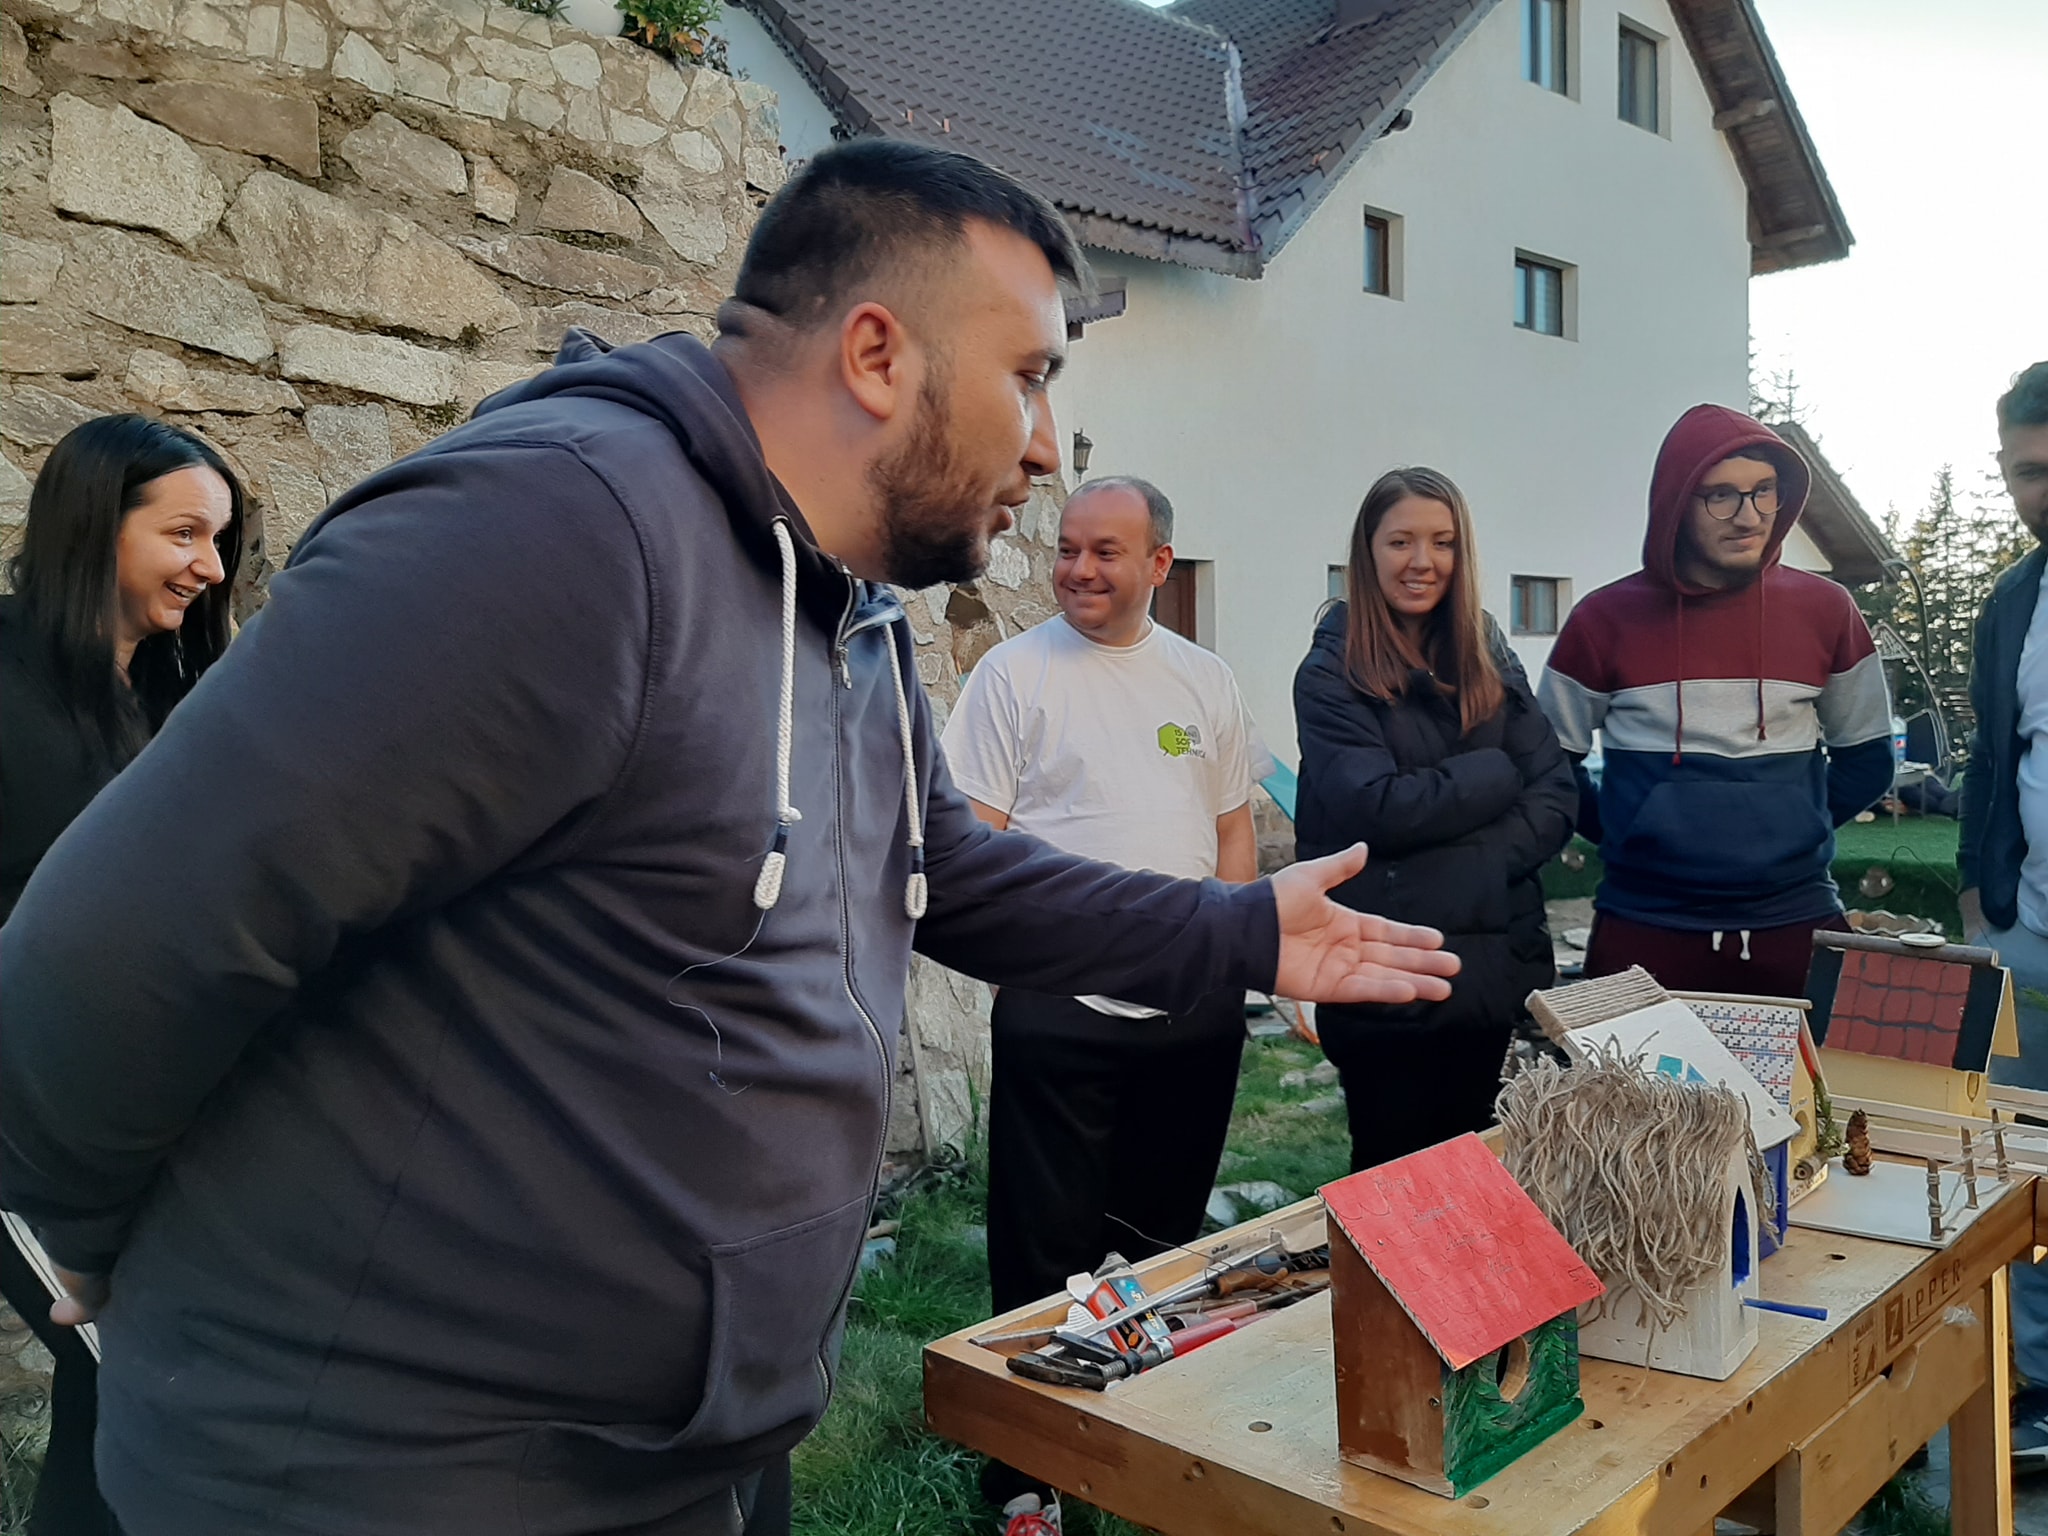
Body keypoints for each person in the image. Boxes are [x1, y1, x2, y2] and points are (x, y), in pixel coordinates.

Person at [0, 140, 1457, 1536]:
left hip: (680, 1453)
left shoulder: (852, 609)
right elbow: (116, 939)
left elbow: (949, 870)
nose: (1048, 444)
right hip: (404, 1471)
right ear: (878, 356)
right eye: (1029, 374)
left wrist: (1244, 931)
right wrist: (86, 1232)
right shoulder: (558, 524)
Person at [943, 473, 1256, 1365]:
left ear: (1159, 562)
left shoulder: (1205, 680)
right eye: (1066, 550)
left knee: (1165, 1246)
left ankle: (1140, 1418)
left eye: (1104, 552)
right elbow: (976, 845)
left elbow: (1232, 829)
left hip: (1191, 1010)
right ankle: (1027, 1476)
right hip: (1060, 1009)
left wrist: (1228, 961)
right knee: (1044, 1248)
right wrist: (1028, 978)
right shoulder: (1013, 675)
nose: (1077, 570)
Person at [0, 413, 243, 1536]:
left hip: (125, 1112)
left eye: (221, 542)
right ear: (97, 525)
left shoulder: (182, 701)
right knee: (117, 1354)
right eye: (185, 533)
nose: (209, 565)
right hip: (14, 1113)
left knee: (131, 1377)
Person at [1538, 405, 1894, 998]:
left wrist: (1789, 826)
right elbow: (1550, 762)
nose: (1747, 516)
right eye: (1721, 496)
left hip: (1794, 917)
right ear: (1678, 501)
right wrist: (1631, 832)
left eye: (1763, 493)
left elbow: (1869, 758)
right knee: (1623, 1091)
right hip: (1644, 921)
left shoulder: (1827, 611)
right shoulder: (1603, 621)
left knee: (1813, 1092)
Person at [1293, 467, 1576, 1170]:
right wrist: (1490, 774)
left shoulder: (1486, 656)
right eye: (1401, 542)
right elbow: (1375, 807)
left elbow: (1555, 793)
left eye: (1442, 542)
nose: (1423, 562)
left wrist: (1457, 860)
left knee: (1484, 1191)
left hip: (1490, 981)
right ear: (1368, 552)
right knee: (1395, 1197)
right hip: (1385, 981)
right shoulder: (1333, 670)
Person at [1955, 360, 2048, 1470]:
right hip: (2025, 937)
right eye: (2022, 472)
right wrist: (1979, 895)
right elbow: (1989, 755)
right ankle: (2034, 1383)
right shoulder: (2011, 603)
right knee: (2019, 1153)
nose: (2039, 491)